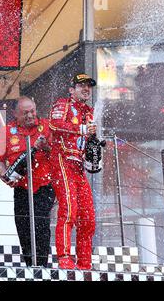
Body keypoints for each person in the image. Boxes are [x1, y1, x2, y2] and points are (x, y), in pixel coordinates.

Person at [0, 96, 55, 267]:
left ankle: (42, 267)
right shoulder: (5, 131)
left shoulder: (47, 126)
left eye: (32, 111)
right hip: (20, 188)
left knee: (41, 225)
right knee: (23, 227)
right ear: (15, 114)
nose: (30, 116)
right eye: (25, 113)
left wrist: (47, 147)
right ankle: (30, 266)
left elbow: (59, 152)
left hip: (44, 187)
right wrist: (5, 176)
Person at [48, 73, 98, 270]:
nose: (86, 89)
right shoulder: (63, 104)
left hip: (79, 167)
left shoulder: (90, 112)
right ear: (71, 89)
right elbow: (54, 124)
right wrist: (82, 129)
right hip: (62, 160)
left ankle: (85, 263)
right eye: (81, 85)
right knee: (69, 210)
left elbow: (89, 141)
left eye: (88, 86)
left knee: (88, 217)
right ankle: (65, 259)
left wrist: (94, 157)